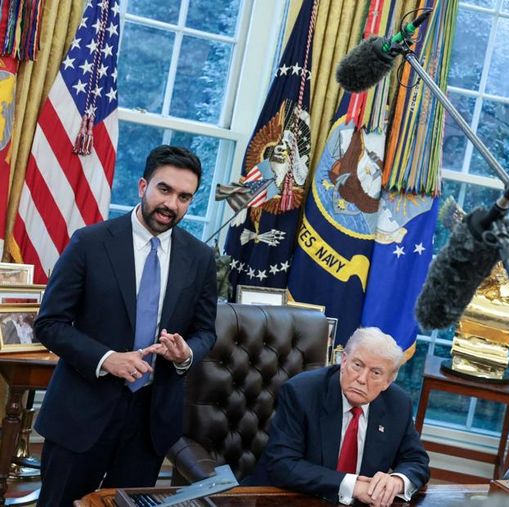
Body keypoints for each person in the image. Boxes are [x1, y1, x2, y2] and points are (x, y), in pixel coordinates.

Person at [33, 145, 218, 506]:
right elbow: (50, 323)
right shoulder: (89, 242)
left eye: (184, 197)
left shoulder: (200, 258)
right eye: (164, 190)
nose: (171, 204)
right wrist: (107, 359)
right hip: (81, 413)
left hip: (150, 423)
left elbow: (205, 332)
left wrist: (185, 354)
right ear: (142, 186)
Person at [244, 327, 430, 506]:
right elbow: (281, 465)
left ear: (387, 382)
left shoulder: (398, 405)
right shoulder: (302, 393)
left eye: (375, 373)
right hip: (291, 499)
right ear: (344, 361)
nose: (362, 379)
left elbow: (416, 460)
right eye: (357, 365)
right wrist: (352, 486)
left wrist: (397, 481)